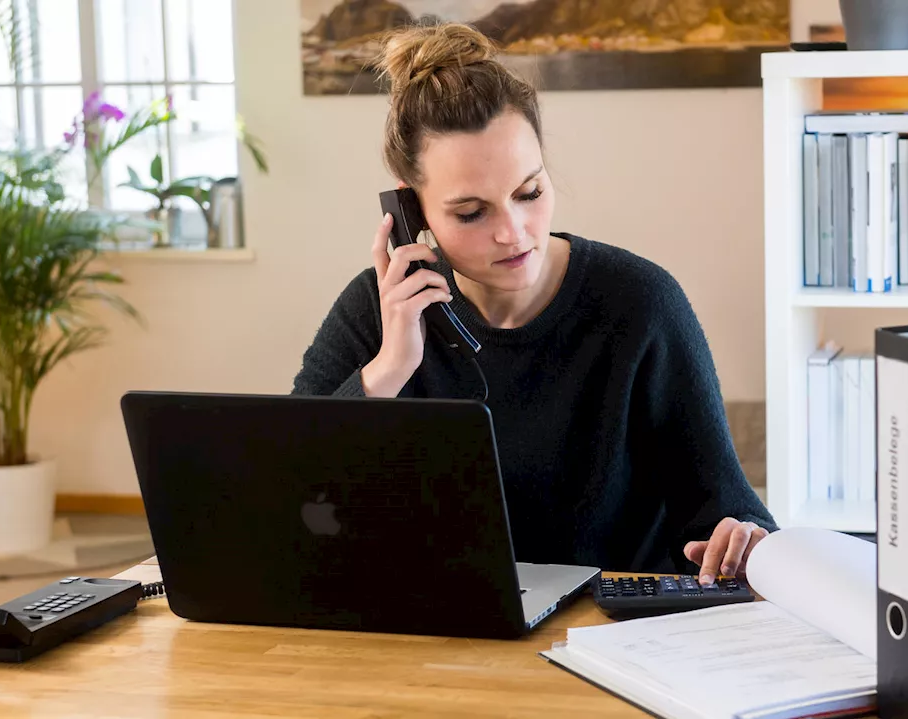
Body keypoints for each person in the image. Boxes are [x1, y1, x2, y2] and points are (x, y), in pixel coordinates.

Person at [291, 21, 777, 584]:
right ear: (411, 210)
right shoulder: (377, 309)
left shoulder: (641, 303)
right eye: (472, 212)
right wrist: (387, 371)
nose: (515, 232)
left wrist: (743, 539)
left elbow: (728, 508)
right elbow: (293, 492)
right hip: (437, 635)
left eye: (530, 193)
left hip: (610, 639)